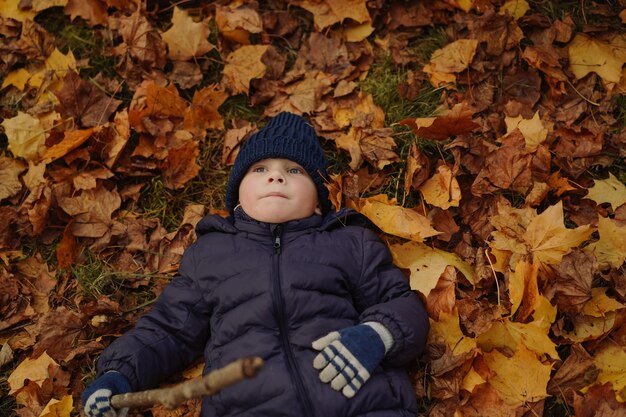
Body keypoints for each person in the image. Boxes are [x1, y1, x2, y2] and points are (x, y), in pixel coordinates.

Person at [81, 112, 429, 417]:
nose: (276, 177)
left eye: (294, 170)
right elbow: (170, 328)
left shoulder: (349, 242)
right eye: (260, 169)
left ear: (319, 203)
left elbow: (400, 303)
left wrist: (378, 335)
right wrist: (119, 374)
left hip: (360, 400)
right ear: (237, 200)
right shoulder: (210, 255)